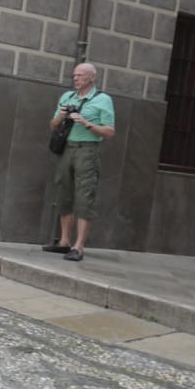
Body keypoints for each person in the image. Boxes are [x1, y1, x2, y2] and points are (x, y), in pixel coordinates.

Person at [40, 62, 115, 260]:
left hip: (88, 151)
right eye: (74, 75)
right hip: (67, 149)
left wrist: (86, 123)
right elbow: (53, 125)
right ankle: (64, 242)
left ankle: (78, 246)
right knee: (63, 193)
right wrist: (63, 115)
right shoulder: (67, 97)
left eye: (80, 75)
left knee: (84, 197)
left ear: (92, 78)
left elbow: (109, 131)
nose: (75, 78)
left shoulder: (103, 100)